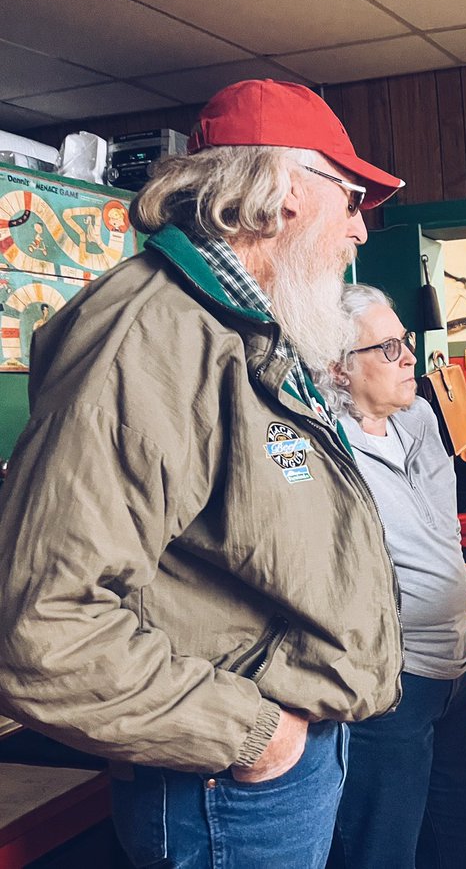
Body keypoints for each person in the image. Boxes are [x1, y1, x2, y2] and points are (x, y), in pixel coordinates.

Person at [0, 79, 406, 868]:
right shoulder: (153, 334)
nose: (359, 228)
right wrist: (258, 735)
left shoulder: (241, 325)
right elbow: (44, 626)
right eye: (353, 197)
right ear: (286, 190)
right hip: (227, 778)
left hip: (283, 753)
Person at [323, 285, 466, 869]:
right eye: (389, 348)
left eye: (406, 342)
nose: (409, 359)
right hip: (390, 684)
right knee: (385, 853)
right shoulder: (324, 444)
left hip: (454, 669)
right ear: (339, 368)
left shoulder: (419, 417)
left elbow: (441, 525)